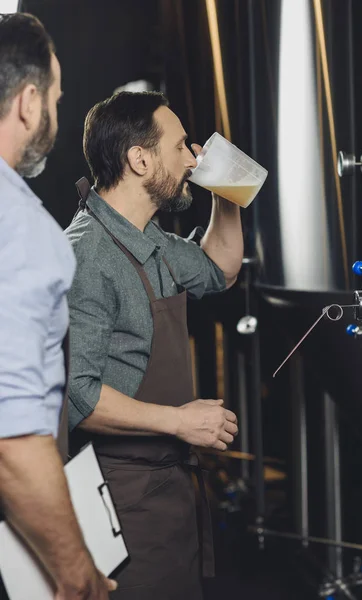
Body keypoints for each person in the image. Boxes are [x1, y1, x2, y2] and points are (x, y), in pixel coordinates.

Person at [65, 91, 243, 600]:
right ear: (140, 159)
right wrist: (181, 422)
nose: (193, 158)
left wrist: (226, 190)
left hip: (170, 491)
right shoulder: (87, 255)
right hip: (120, 499)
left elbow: (219, 271)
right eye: (182, 146)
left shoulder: (152, 240)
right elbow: (78, 395)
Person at [0, 13, 115, 599]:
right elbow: (13, 436)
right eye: (55, 99)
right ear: (27, 102)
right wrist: (77, 576)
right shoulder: (20, 227)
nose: (56, 115)